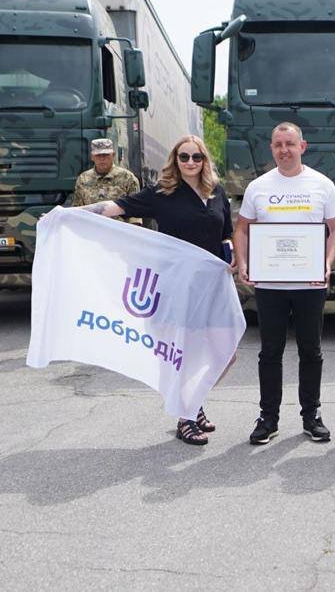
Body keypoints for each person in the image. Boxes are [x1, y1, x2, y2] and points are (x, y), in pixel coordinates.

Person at [79, 135, 233, 445]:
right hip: (177, 286)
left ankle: (195, 400)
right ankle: (185, 417)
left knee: (224, 353)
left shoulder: (217, 193)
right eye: (184, 157)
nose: (190, 162)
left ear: (205, 160)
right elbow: (115, 207)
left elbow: (226, 235)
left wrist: (232, 262)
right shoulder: (162, 194)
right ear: (175, 160)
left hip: (214, 285)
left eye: (197, 157)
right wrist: (70, 214)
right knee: (187, 352)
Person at [233, 122, 335, 445]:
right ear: (272, 148)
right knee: (270, 352)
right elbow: (242, 229)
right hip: (270, 285)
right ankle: (268, 418)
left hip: (309, 283)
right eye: (278, 144)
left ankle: (312, 415)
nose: (284, 150)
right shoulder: (259, 187)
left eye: (290, 144)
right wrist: (243, 262)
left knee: (311, 351)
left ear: (302, 147)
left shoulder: (322, 185)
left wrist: (325, 263)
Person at [72, 138, 140, 207]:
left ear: (113, 155)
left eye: (106, 155)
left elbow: (135, 209)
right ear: (92, 157)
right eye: (98, 155)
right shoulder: (83, 179)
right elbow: (78, 209)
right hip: (92, 218)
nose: (102, 159)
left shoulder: (127, 178)